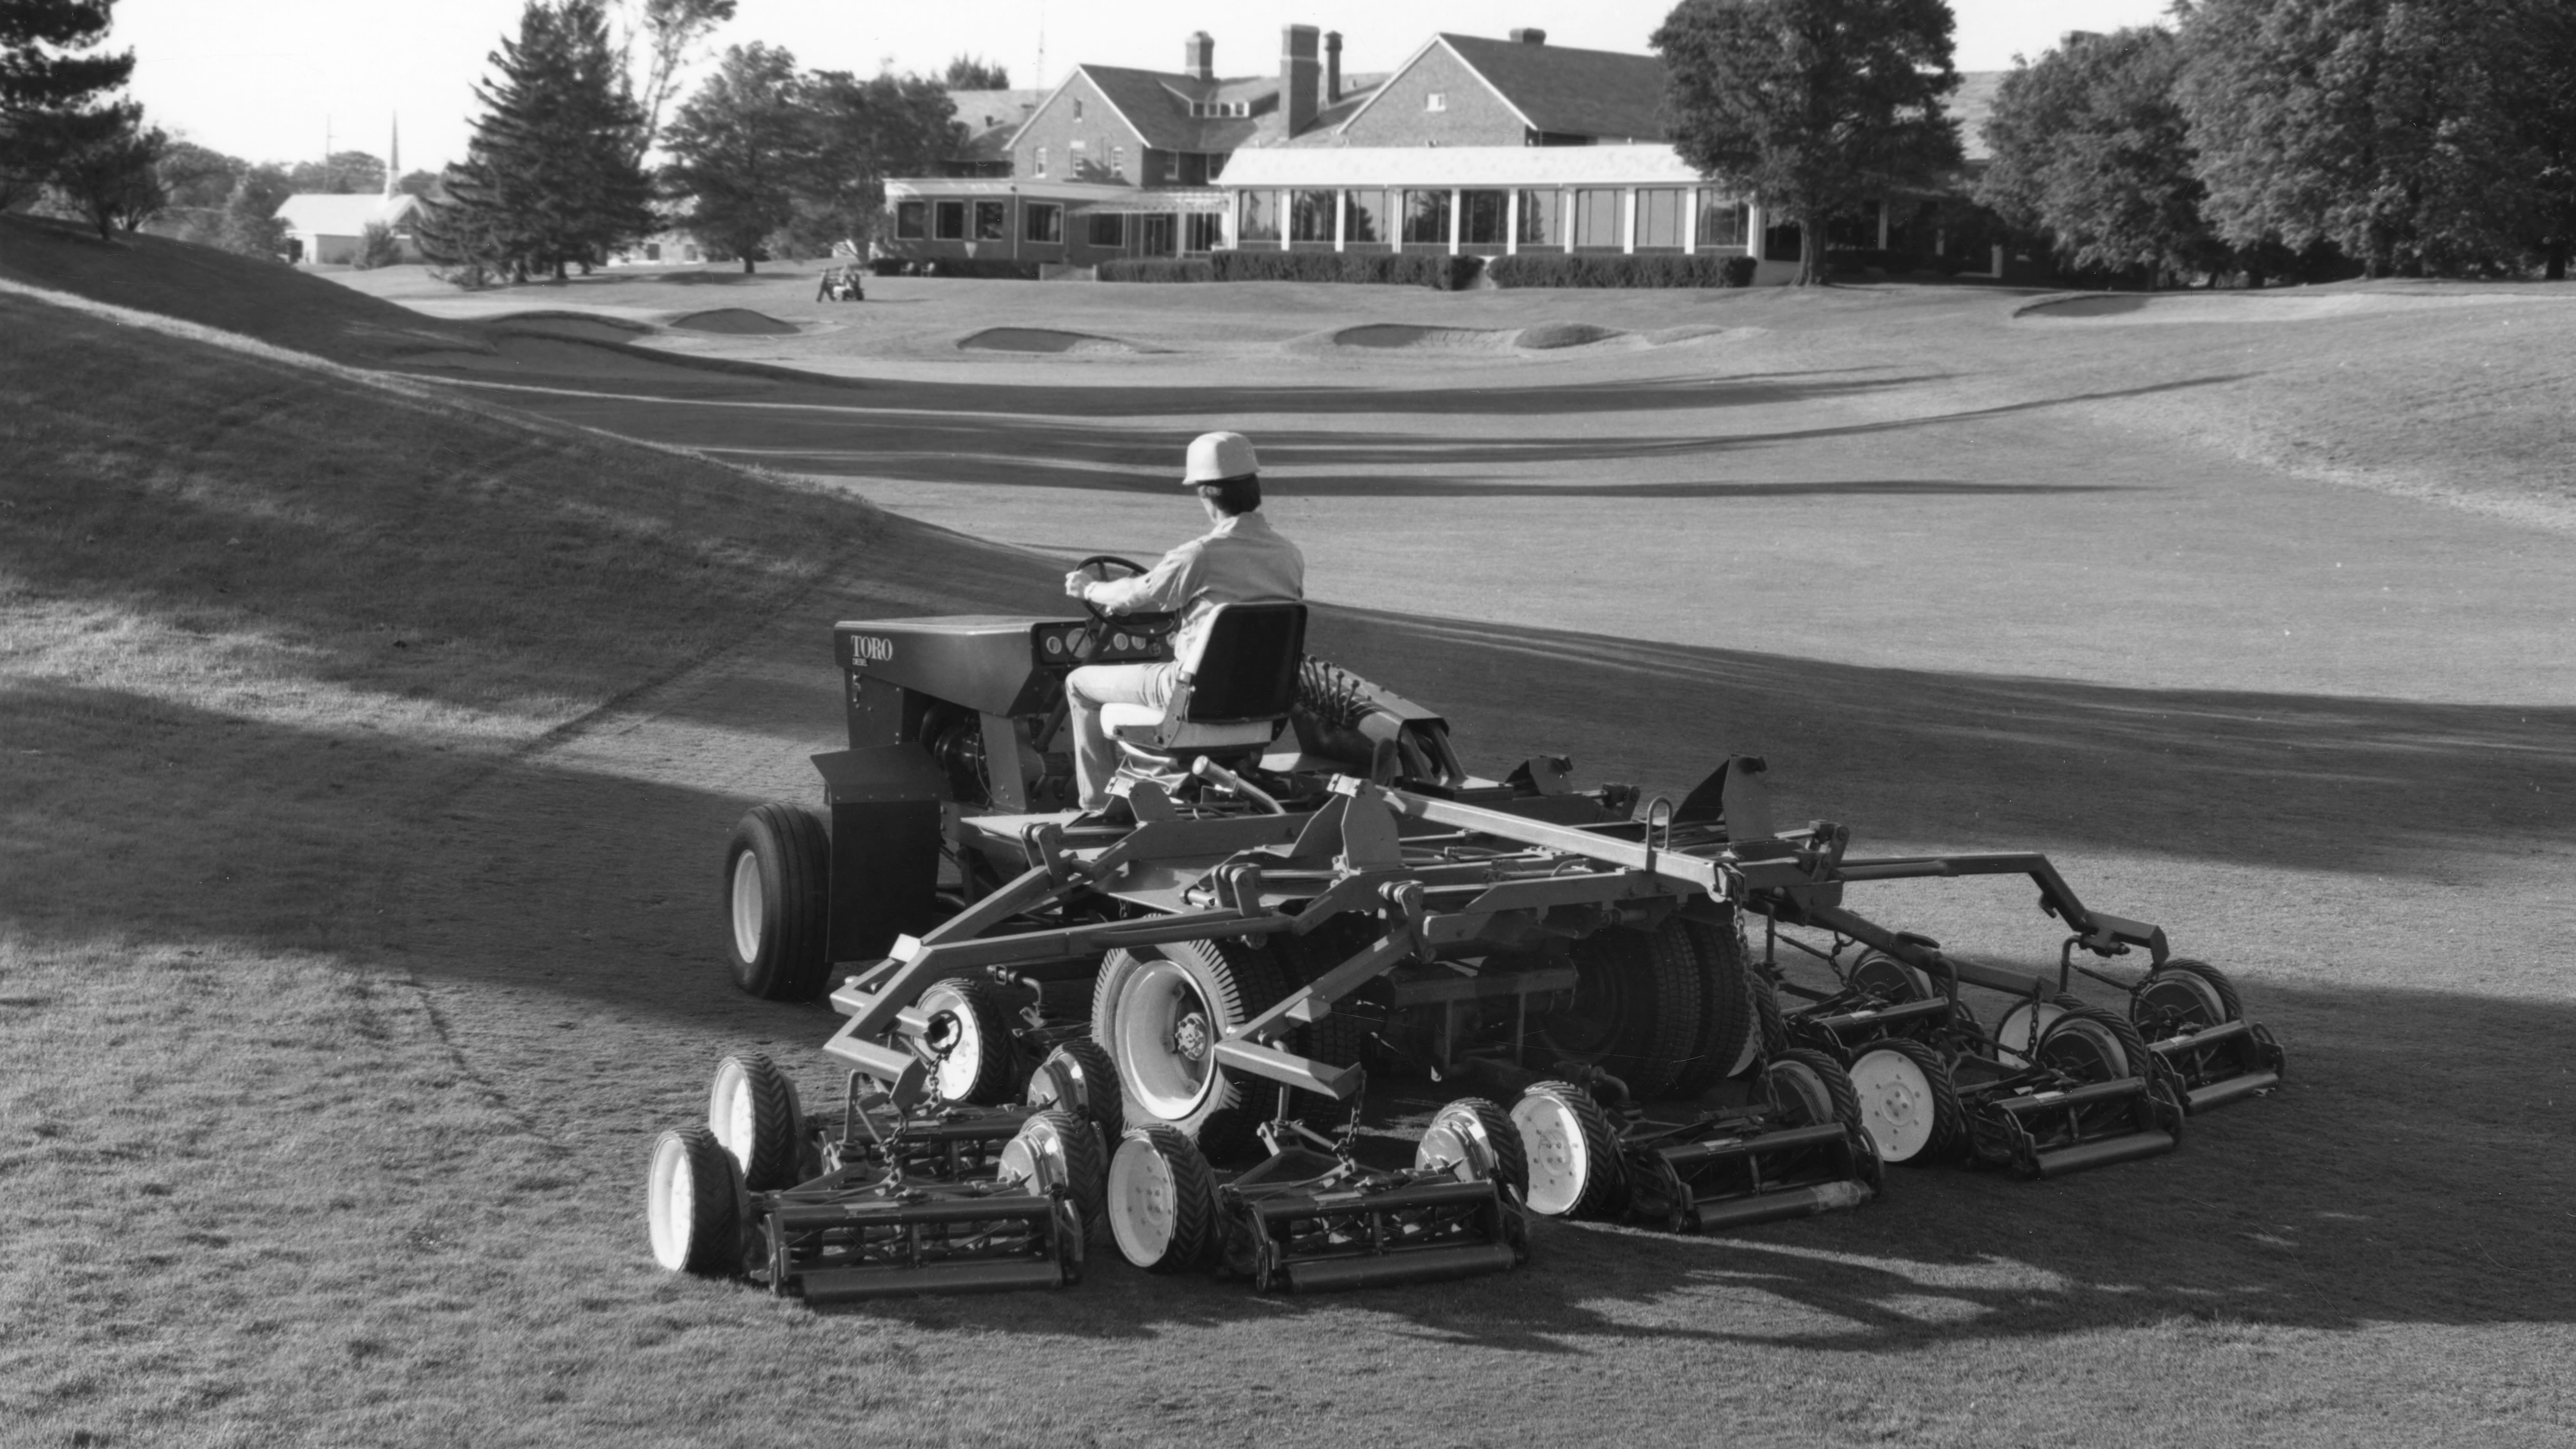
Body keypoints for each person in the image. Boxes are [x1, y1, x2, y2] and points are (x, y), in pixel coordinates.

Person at [1061, 431, 1304, 812]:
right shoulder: (1289, 555)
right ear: (1254, 488)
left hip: (1187, 695)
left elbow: (1134, 595)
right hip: (1262, 705)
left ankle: (1094, 804)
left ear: (1206, 495)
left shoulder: (1201, 555)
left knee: (1078, 683)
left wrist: (1090, 590)